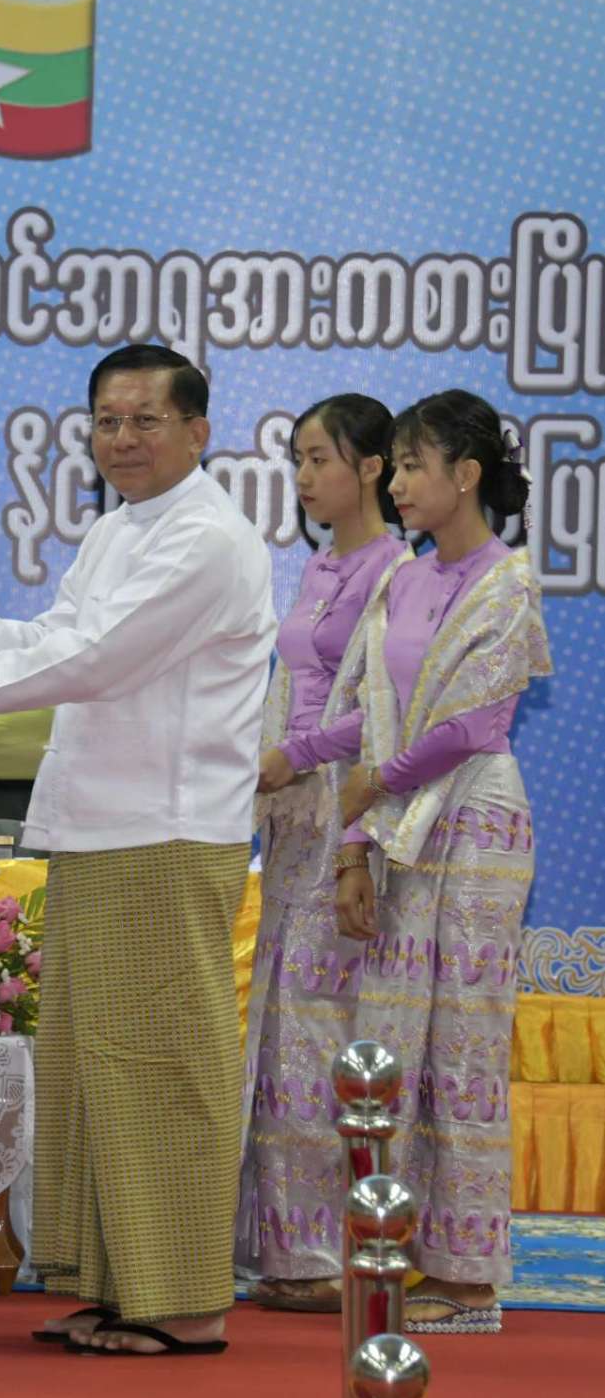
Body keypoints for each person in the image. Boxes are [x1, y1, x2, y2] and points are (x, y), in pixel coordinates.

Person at [0, 344, 275, 1357]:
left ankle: (182, 1299)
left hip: (165, 831)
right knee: (94, 1071)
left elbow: (94, 659)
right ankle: (114, 1283)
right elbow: (53, 637)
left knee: (161, 1068)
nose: (121, 440)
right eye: (106, 421)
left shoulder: (208, 540)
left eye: (144, 420)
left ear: (196, 432)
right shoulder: (118, 530)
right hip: (100, 828)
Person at [335, 388, 551, 1334]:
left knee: (461, 1046)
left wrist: (372, 789)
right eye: (394, 464)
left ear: (464, 475)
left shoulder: (508, 583)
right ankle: (404, 1246)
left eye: (413, 464)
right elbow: (367, 717)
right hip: (395, 822)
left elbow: (472, 725)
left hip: (473, 822)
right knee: (393, 1042)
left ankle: (469, 1281)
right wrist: (351, 843)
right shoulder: (402, 580)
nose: (397, 482)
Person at [236, 395, 410, 1309]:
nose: (303, 478)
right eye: (296, 461)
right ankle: (285, 1244)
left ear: (371, 466)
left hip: (352, 816)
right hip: (295, 818)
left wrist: (295, 755)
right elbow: (290, 687)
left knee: (321, 1029)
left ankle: (321, 1255)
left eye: (319, 459)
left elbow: (385, 709)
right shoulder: (318, 567)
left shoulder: (397, 575)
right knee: (283, 1027)